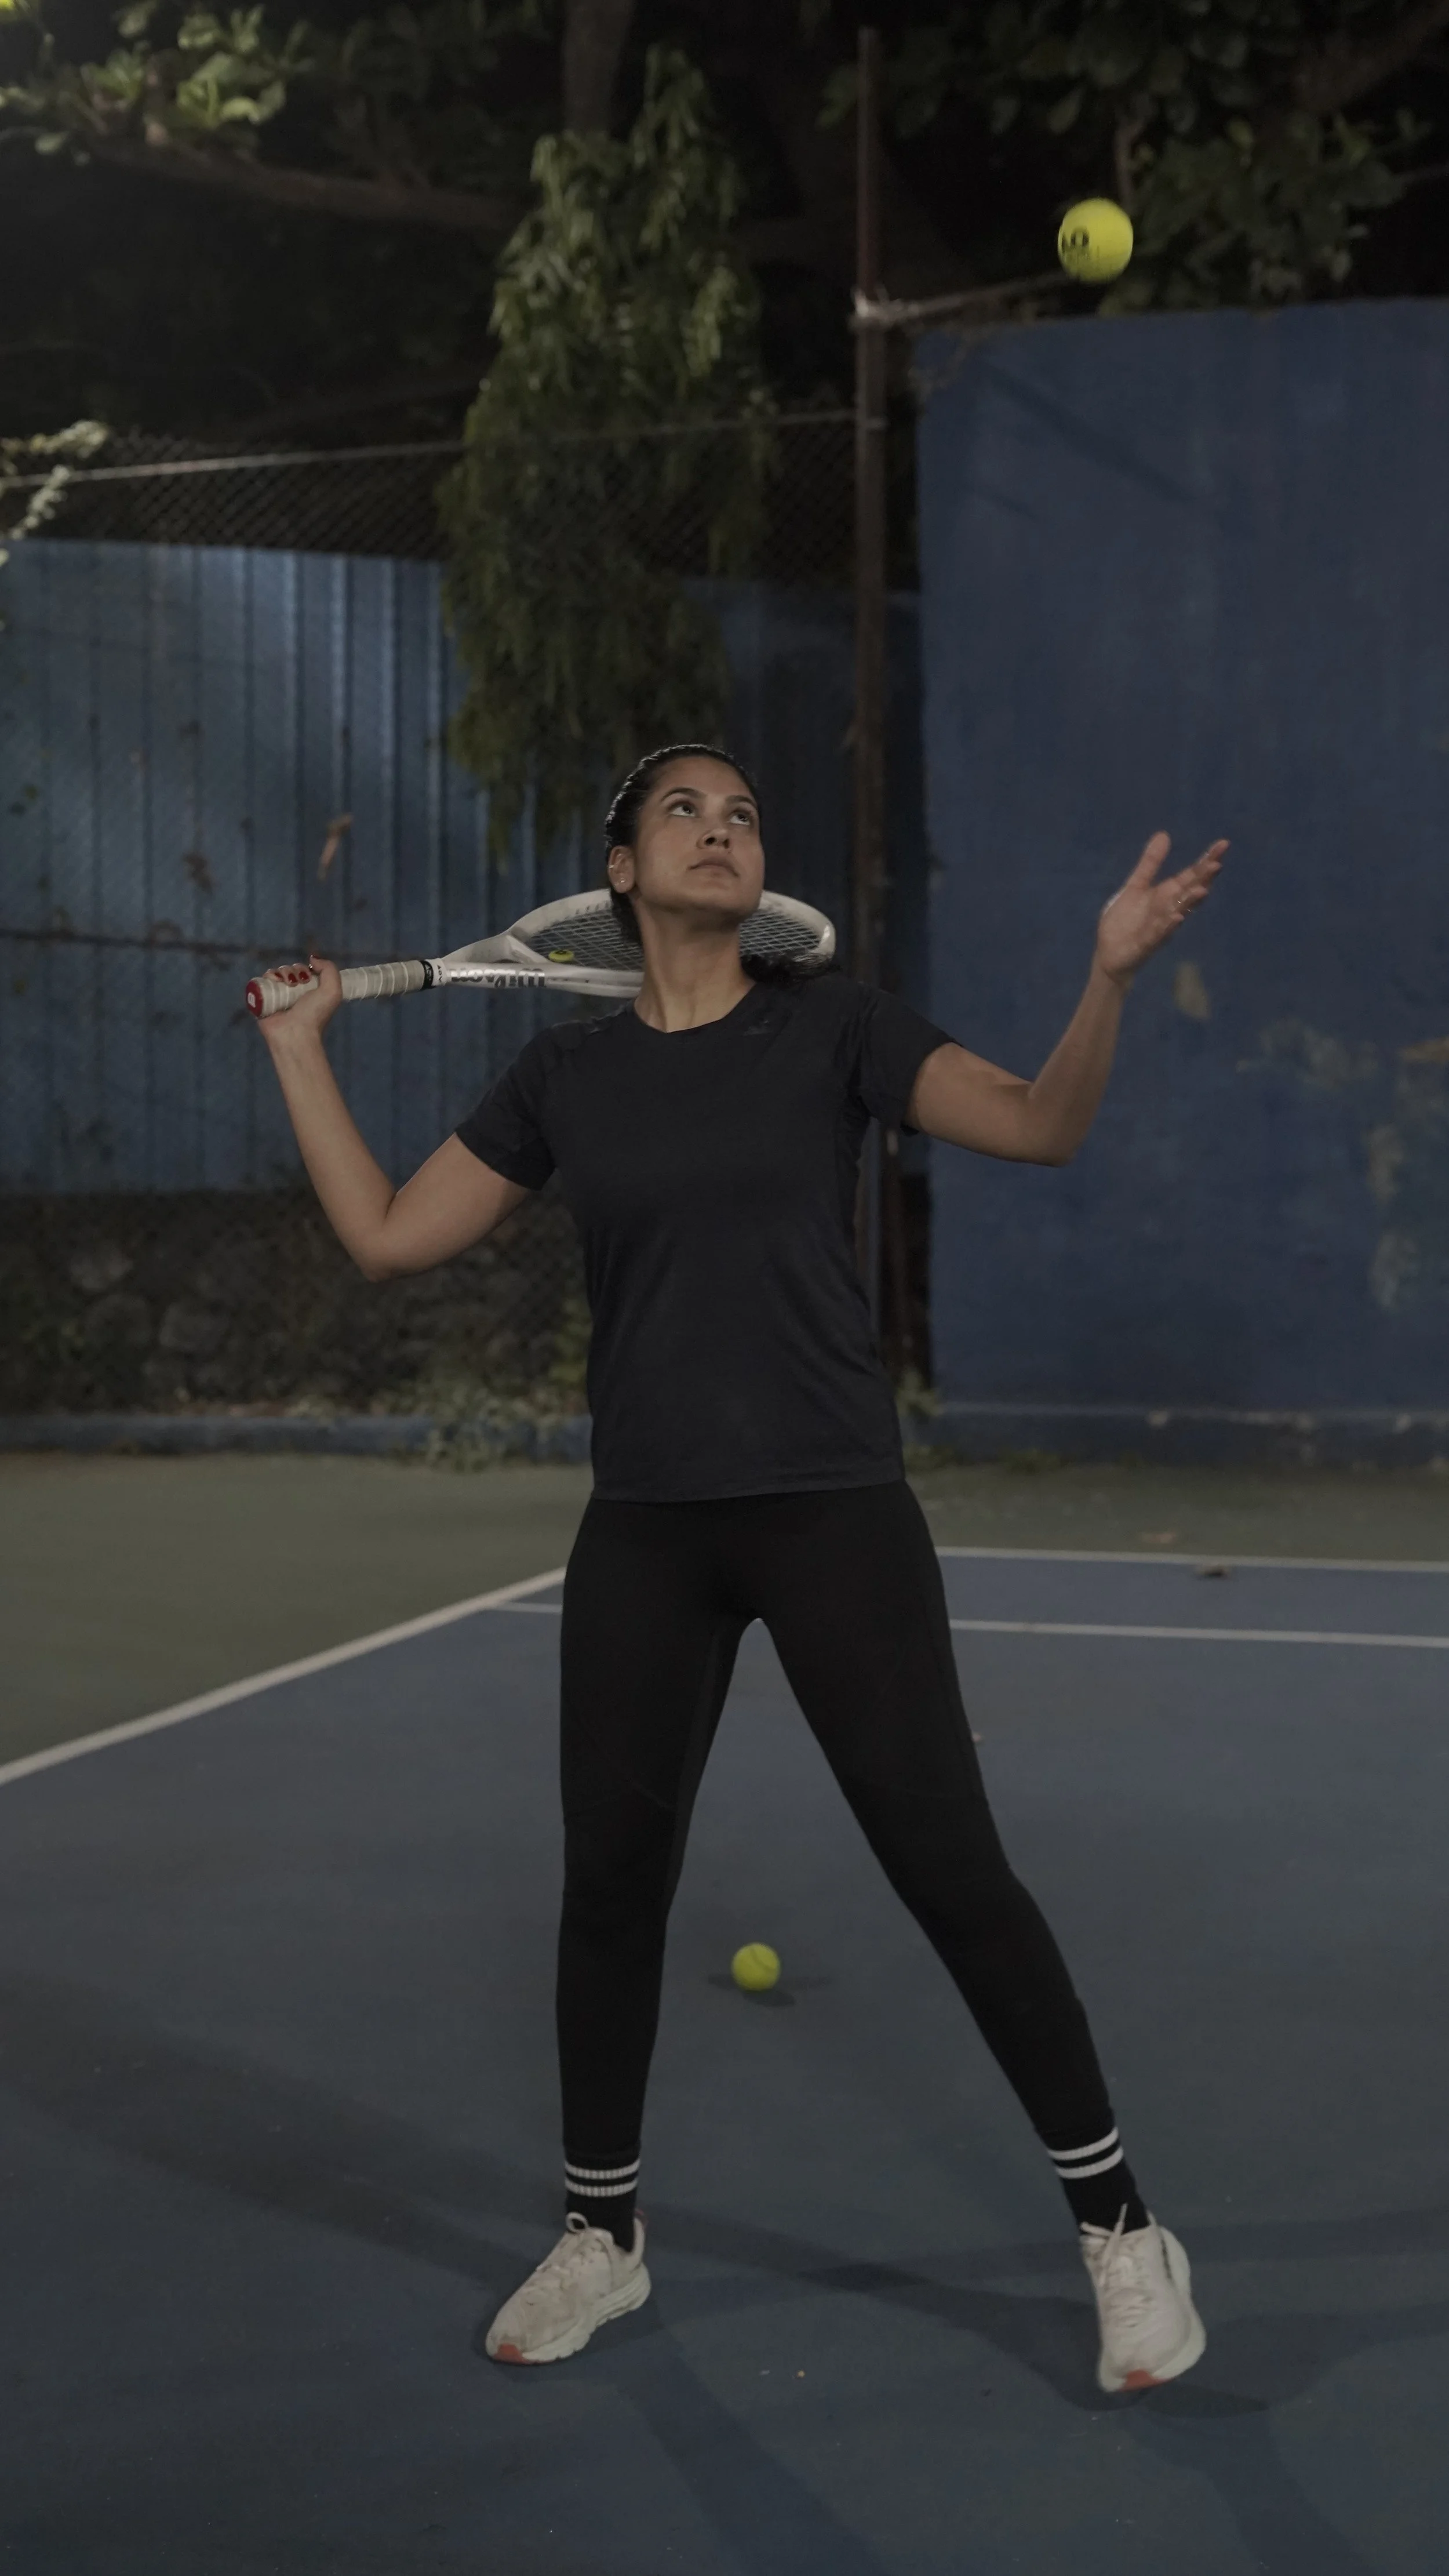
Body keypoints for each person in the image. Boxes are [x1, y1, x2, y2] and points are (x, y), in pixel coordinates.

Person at [256, 741, 1226, 2393]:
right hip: (647, 1527)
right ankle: (603, 2234)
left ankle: (1124, 2230)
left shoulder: (834, 1031)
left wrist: (1108, 977)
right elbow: (389, 1236)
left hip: (832, 1510)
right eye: (683, 812)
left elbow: (1038, 1125)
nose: (722, 830)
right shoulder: (565, 1075)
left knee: (951, 1872)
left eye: (743, 816)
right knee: (611, 1888)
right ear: (621, 871)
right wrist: (299, 1053)